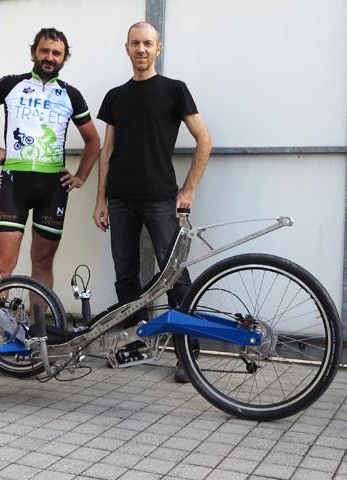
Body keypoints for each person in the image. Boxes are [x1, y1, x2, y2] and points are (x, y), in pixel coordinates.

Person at [94, 21, 212, 382]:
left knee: (174, 275)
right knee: (125, 275)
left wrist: (188, 189)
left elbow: (204, 140)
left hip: (162, 197)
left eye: (148, 43)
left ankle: (187, 355)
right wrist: (100, 199)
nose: (141, 49)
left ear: (157, 49)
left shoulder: (175, 90)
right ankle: (133, 344)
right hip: (120, 199)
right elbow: (107, 150)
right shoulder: (115, 96)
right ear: (126, 48)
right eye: (135, 43)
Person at [0, 28, 100, 290]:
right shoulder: (11, 84)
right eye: (44, 50)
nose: (50, 57)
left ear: (64, 58)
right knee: (2, 264)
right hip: (15, 182)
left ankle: (39, 330)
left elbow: (93, 141)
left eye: (56, 53)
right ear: (33, 53)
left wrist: (81, 176)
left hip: (53, 188)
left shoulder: (71, 94)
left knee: (42, 264)